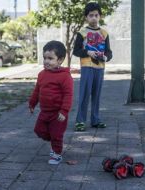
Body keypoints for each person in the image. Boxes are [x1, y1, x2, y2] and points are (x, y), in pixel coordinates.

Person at [29, 40, 73, 164]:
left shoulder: (65, 76)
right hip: (44, 112)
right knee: (39, 130)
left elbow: (68, 95)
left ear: (60, 60)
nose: (46, 61)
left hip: (58, 114)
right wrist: (32, 103)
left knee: (57, 134)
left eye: (50, 58)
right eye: (44, 58)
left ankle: (57, 154)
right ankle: (54, 140)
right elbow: (37, 91)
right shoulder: (41, 74)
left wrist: (64, 111)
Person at [73, 2, 112, 131]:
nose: (94, 18)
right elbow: (76, 51)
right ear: (86, 17)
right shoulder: (82, 32)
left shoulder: (104, 33)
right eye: (91, 15)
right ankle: (80, 121)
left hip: (100, 68)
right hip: (87, 67)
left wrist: (106, 57)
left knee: (97, 94)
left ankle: (95, 120)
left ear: (100, 16)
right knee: (84, 94)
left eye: (96, 15)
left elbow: (109, 52)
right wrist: (87, 52)